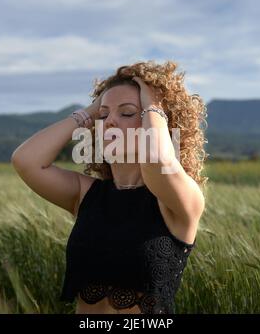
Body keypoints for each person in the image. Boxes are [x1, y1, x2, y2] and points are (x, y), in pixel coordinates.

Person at [11, 60, 209, 314]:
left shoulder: (178, 200)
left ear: (158, 124)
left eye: (127, 113)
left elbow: (156, 158)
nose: (110, 122)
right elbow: (26, 161)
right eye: (104, 116)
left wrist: (155, 104)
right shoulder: (86, 194)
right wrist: (92, 110)